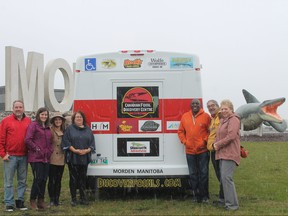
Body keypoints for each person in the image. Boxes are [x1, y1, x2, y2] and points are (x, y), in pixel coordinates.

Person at [0, 100, 31, 212]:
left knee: (22, 180)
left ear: (23, 108)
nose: (18, 109)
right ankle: (9, 203)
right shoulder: (6, 121)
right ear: (13, 108)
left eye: (20, 107)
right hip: (10, 156)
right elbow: (1, 139)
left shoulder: (28, 121)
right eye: (16, 107)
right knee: (8, 181)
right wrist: (3, 154)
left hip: (24, 156)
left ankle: (20, 201)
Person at [178, 99, 211, 203]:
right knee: (193, 174)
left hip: (203, 151)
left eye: (197, 103)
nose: (195, 105)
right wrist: (185, 141)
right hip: (190, 151)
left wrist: (204, 141)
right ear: (190, 105)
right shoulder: (185, 116)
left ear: (200, 105)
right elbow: (180, 131)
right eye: (193, 103)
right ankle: (196, 196)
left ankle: (205, 196)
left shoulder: (206, 116)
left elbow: (210, 132)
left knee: (204, 174)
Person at [61, 111, 96, 206]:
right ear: (74, 119)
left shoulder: (88, 130)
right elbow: (66, 142)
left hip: (84, 158)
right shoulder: (69, 129)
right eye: (77, 117)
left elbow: (92, 144)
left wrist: (87, 150)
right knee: (73, 179)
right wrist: (75, 150)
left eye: (80, 117)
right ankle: (73, 199)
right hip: (73, 158)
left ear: (83, 118)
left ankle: (83, 198)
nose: (79, 118)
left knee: (83, 179)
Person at [213, 99, 241, 211]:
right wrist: (215, 142)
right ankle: (225, 201)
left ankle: (232, 205)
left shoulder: (234, 119)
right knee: (223, 178)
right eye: (222, 108)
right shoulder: (223, 120)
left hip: (230, 154)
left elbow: (231, 136)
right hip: (222, 154)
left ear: (231, 109)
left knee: (226, 178)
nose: (223, 110)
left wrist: (218, 144)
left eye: (226, 108)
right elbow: (219, 134)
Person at [25, 107, 53, 210]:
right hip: (36, 158)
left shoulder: (47, 127)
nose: (44, 116)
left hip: (46, 157)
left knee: (44, 179)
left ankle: (41, 200)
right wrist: (36, 149)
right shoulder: (34, 125)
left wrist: (50, 150)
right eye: (42, 114)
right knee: (38, 179)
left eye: (45, 115)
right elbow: (28, 139)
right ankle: (32, 200)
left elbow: (50, 141)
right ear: (38, 115)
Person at [206, 100, 224, 205]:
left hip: (219, 150)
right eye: (209, 106)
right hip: (213, 150)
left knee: (223, 175)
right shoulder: (213, 119)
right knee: (219, 174)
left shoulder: (221, 116)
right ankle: (224, 197)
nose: (211, 107)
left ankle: (223, 199)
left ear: (217, 106)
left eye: (213, 105)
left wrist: (218, 145)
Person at [47, 113, 66, 207]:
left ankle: (57, 199)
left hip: (61, 158)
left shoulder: (64, 131)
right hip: (52, 158)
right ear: (53, 121)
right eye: (56, 120)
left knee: (59, 180)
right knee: (52, 180)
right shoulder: (50, 131)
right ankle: (51, 199)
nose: (58, 121)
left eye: (59, 120)